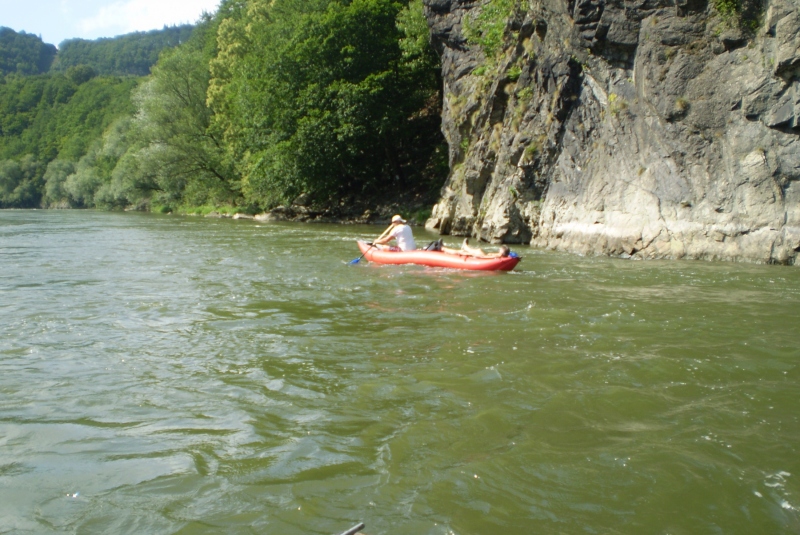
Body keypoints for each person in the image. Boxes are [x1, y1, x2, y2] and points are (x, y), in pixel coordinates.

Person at [442, 238, 511, 258]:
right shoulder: (503, 256)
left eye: (501, 249)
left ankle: (442, 248)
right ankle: (465, 247)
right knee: (478, 250)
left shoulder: (499, 255)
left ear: (502, 251)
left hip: (482, 256)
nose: (499, 249)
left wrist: (479, 256)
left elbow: (488, 257)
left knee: (461, 252)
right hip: (483, 255)